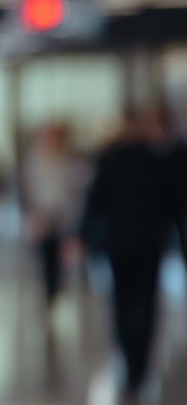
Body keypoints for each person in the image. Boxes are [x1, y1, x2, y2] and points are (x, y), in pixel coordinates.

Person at [82, 111, 176, 398]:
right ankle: (139, 363)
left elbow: (94, 202)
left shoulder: (111, 160)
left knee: (122, 303)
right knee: (146, 303)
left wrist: (87, 237)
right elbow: (170, 205)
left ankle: (129, 355)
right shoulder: (156, 160)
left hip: (119, 244)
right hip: (149, 244)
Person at [19, 123, 90, 311]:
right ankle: (48, 297)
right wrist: (34, 215)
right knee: (45, 260)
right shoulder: (33, 162)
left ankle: (61, 293)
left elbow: (77, 192)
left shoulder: (71, 163)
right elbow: (27, 192)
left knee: (65, 261)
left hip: (65, 219)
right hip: (42, 219)